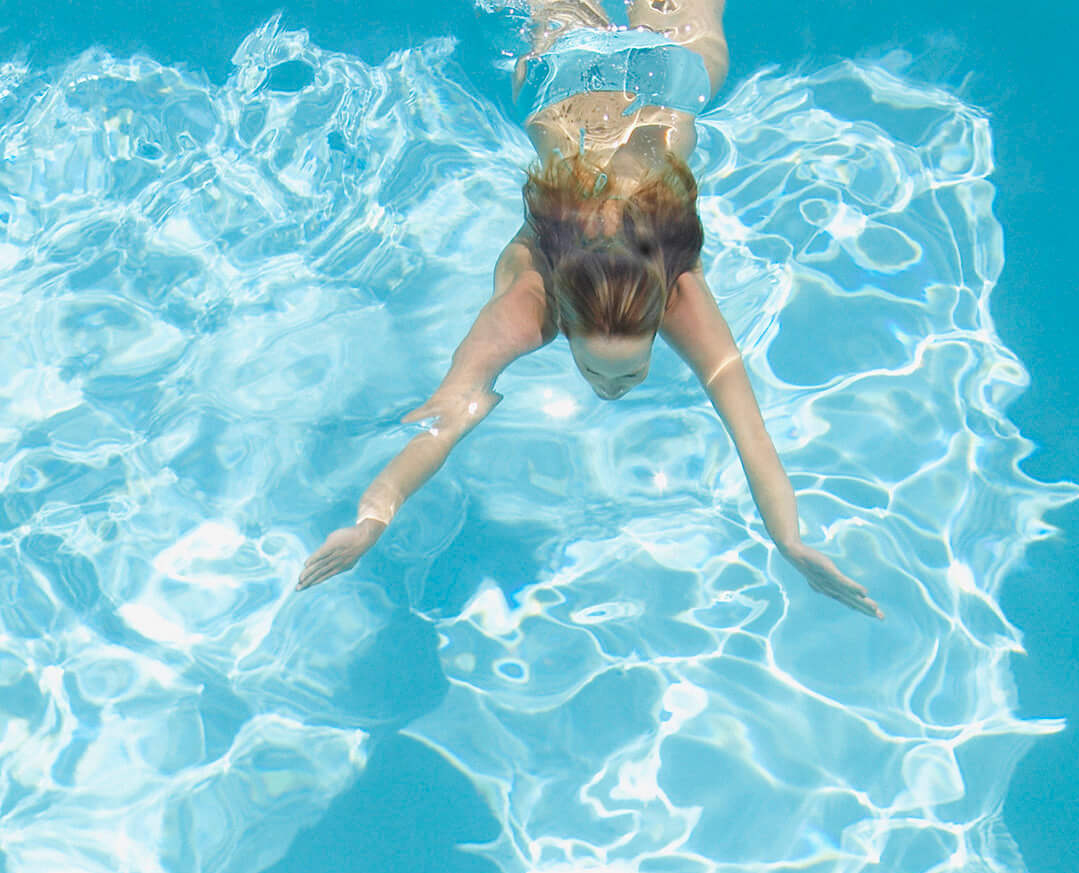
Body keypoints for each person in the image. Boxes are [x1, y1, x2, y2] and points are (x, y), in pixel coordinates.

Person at [297, 0, 880, 616]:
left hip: (565, 79)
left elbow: (752, 437)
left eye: (622, 373)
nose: (612, 388)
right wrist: (371, 519)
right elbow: (449, 417)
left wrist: (790, 543)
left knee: (563, 28)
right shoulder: (526, 303)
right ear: (562, 322)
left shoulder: (678, 299)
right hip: (662, 78)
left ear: (659, 321)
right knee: (697, 53)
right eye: (608, 372)